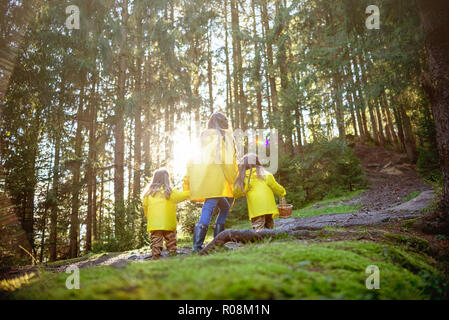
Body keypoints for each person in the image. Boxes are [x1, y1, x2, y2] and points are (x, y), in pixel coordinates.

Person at [183, 112, 238, 252]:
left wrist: (190, 179)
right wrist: (233, 177)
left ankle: (217, 242)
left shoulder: (204, 136)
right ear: (224, 122)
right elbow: (228, 160)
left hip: (205, 176)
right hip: (216, 178)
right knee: (209, 207)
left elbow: (195, 157)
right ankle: (197, 246)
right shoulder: (225, 136)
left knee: (224, 207)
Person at [142, 168, 190, 260]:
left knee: (156, 240)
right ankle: (172, 254)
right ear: (167, 179)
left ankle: (155, 256)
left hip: (154, 223)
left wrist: (148, 215)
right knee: (171, 239)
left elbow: (145, 206)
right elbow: (184, 195)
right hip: (168, 222)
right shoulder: (170, 192)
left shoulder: (148, 194)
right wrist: (191, 191)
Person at [233, 153, 286, 230]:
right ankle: (270, 238)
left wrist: (234, 193)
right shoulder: (266, 175)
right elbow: (276, 187)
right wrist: (282, 192)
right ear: (258, 163)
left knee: (258, 228)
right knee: (269, 226)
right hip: (268, 208)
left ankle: (260, 238)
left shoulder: (245, 179)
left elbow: (236, 193)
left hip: (256, 210)